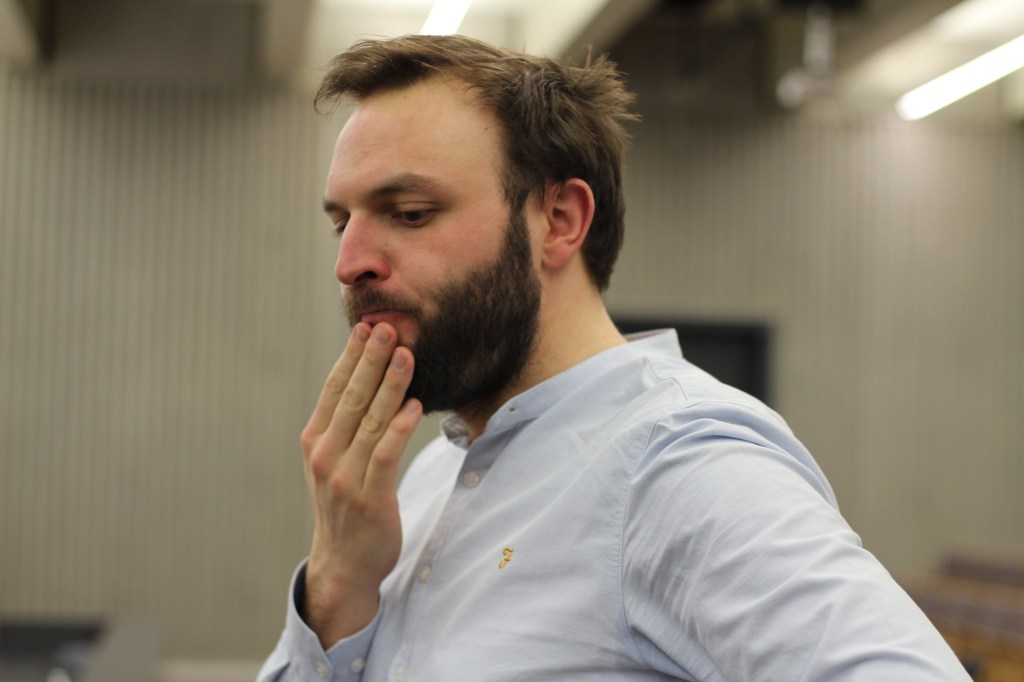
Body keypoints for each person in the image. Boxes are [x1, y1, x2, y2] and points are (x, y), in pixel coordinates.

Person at [259, 34, 969, 681]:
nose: (349, 263)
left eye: (410, 212)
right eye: (341, 223)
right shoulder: (430, 477)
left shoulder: (677, 465)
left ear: (559, 221)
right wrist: (335, 590)